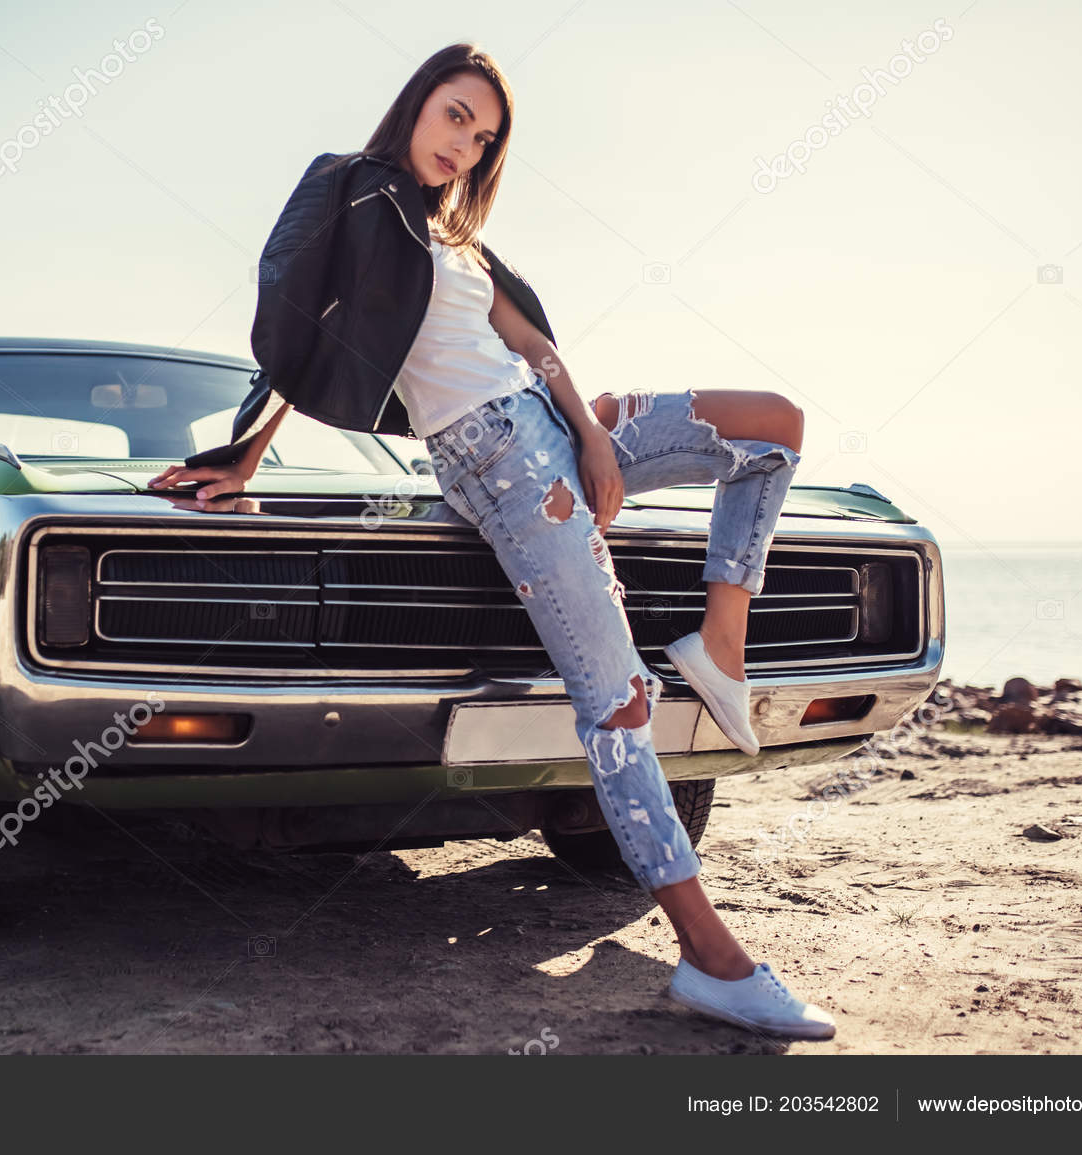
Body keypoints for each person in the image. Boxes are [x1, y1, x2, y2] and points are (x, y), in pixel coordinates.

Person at [149, 43, 835, 1041]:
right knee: (617, 702)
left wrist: (593, 434)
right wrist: (244, 457)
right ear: (418, 101)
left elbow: (535, 345)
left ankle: (718, 645)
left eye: (483, 138)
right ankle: (709, 959)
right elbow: (303, 334)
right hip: (496, 458)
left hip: (555, 423)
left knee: (773, 428)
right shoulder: (356, 193)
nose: (463, 146)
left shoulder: (458, 237)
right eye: (455, 116)